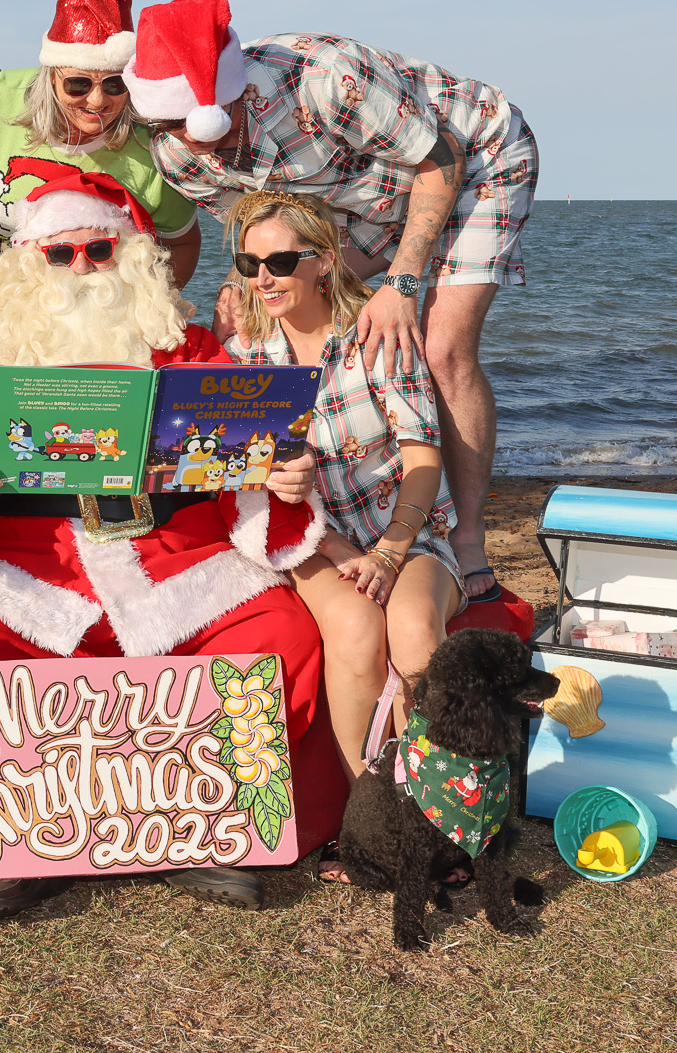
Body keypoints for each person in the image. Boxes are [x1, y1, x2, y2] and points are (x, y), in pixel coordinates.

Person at [0, 172, 329, 924]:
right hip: (33, 561)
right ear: (28, 262)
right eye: (59, 254)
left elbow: (247, 453)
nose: (81, 269)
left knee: (280, 631)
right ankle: (11, 844)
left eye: (98, 250)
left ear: (130, 253)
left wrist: (281, 479)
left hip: (175, 554)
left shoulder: (188, 348)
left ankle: (210, 828)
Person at [124, 0, 538, 599]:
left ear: (224, 97)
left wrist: (401, 281)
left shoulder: (327, 78)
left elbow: (441, 160)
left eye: (194, 124)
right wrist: (241, 282)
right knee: (297, 301)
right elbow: (269, 228)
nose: (187, 141)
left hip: (471, 160)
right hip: (363, 200)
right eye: (167, 127)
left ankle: (467, 537)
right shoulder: (178, 157)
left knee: (443, 350)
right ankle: (340, 510)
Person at [220, 190, 463, 883]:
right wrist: (318, 530)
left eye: (280, 262)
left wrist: (388, 550)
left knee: (413, 630)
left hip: (405, 531)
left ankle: (435, 821)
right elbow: (236, 478)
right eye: (249, 264)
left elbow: (423, 460)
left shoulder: (377, 338)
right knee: (355, 627)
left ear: (324, 260)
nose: (263, 278)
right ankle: (370, 826)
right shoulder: (243, 358)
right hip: (306, 537)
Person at [0, 0, 200, 287]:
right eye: (78, 84)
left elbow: (181, 243)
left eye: (115, 84)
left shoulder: (153, 138)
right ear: (51, 76)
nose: (97, 100)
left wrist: (149, 309)